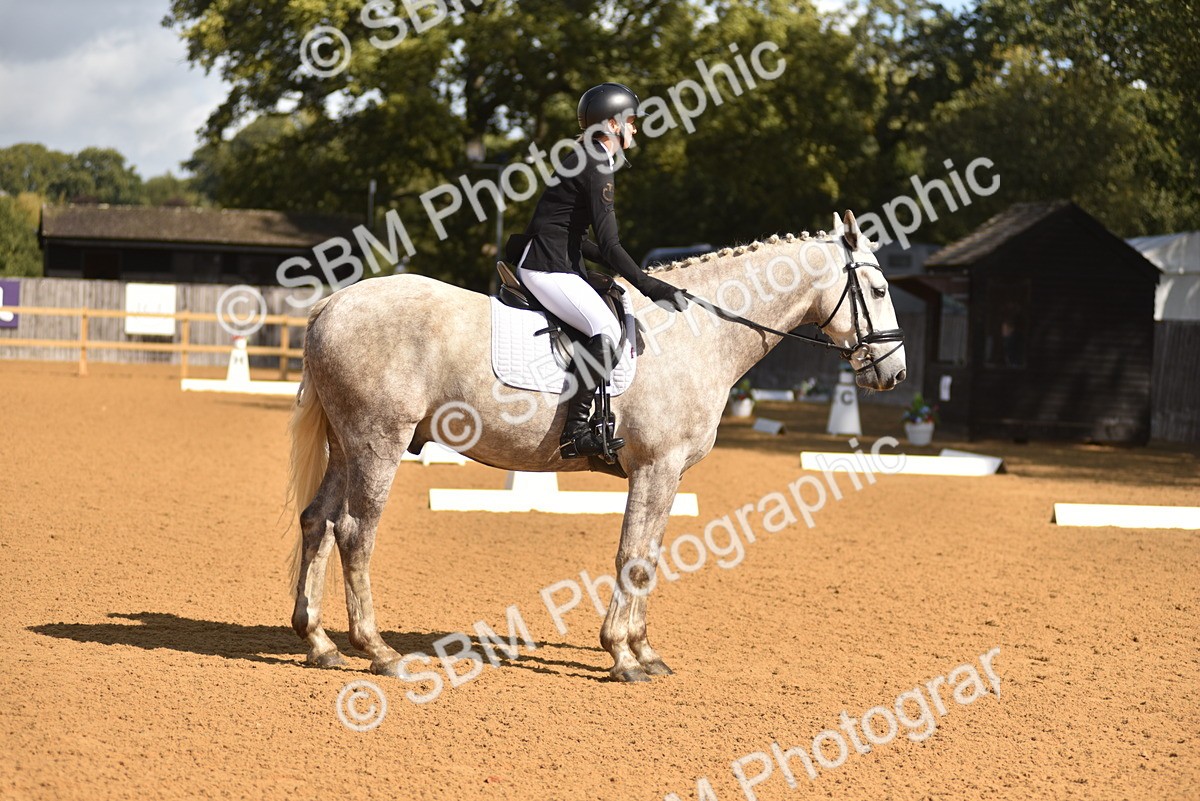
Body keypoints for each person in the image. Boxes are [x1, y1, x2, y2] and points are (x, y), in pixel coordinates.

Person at [511, 82, 688, 459]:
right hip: (547, 267)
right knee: (605, 329)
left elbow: (572, 234)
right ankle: (574, 431)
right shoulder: (596, 164)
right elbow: (610, 245)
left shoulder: (584, 156)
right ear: (612, 123)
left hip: (555, 260)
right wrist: (651, 286)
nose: (636, 130)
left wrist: (615, 268)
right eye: (632, 122)